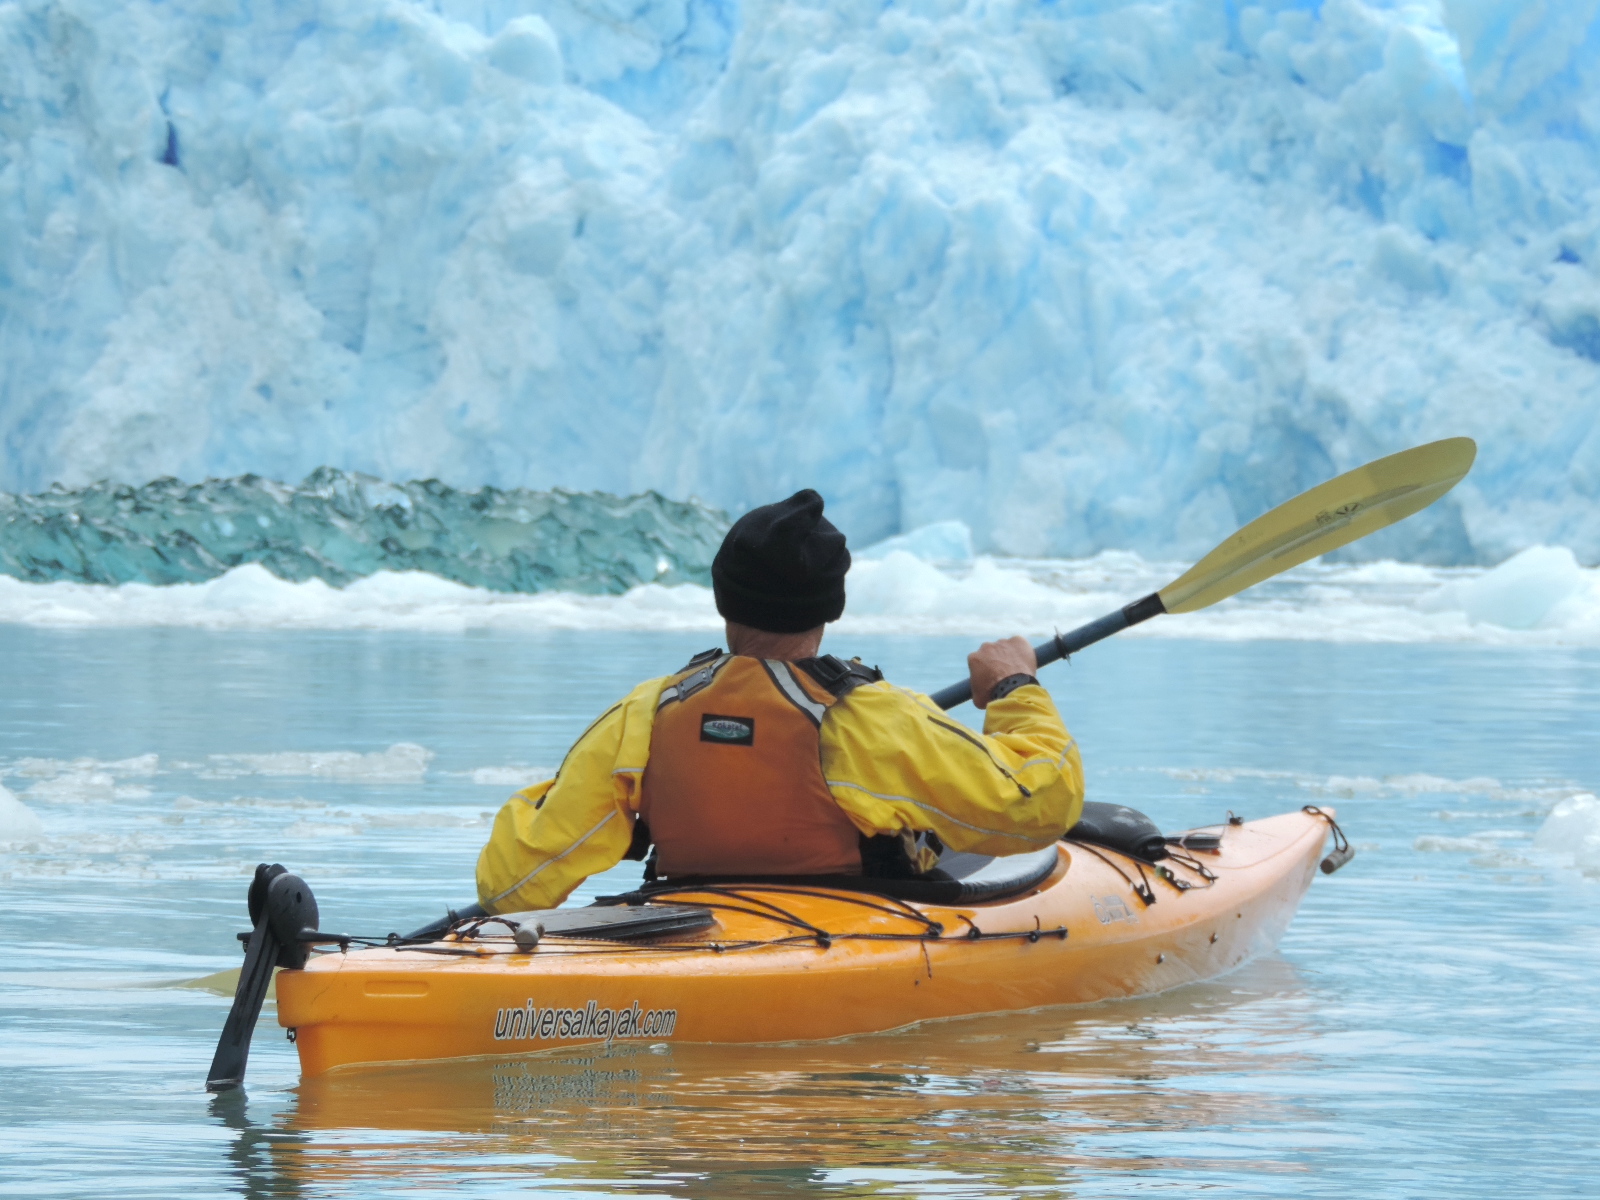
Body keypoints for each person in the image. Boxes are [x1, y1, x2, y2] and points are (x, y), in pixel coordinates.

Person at [476, 489, 1085, 913]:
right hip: (848, 932)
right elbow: (1042, 803)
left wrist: (621, 807)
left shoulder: (646, 714)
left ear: (722, 597)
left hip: (693, 924)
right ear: (830, 606)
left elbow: (513, 885)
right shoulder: (871, 718)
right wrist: (1014, 690)